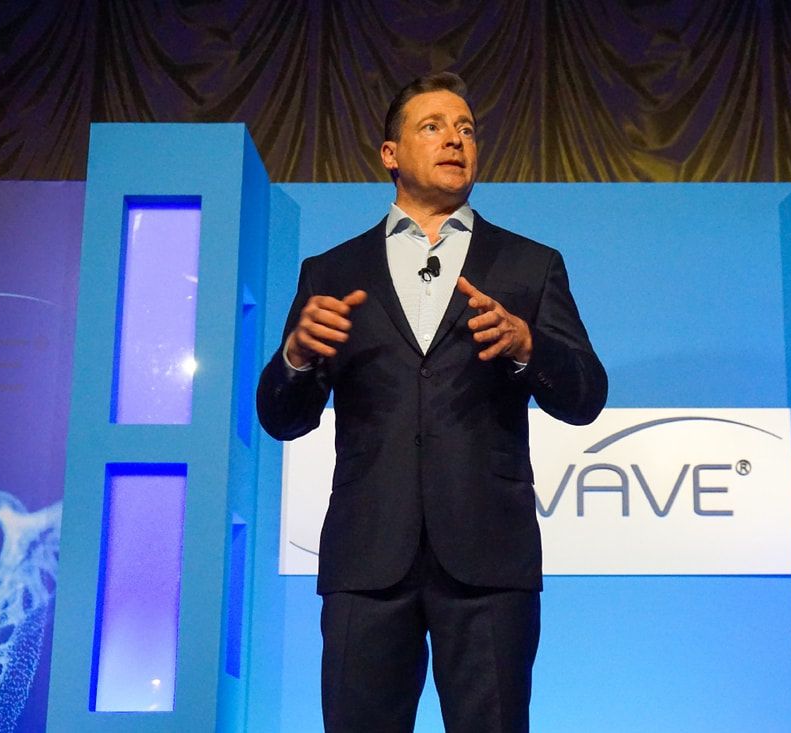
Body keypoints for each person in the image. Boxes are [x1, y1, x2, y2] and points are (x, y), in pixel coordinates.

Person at [256, 71, 607, 733]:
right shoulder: (332, 273)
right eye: (434, 126)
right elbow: (283, 416)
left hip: (488, 555)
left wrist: (530, 343)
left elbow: (587, 394)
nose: (456, 139)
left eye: (467, 128)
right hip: (367, 555)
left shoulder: (529, 266)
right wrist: (297, 357)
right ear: (390, 154)